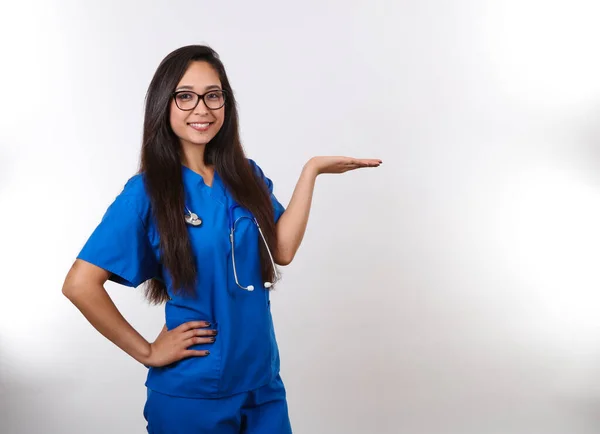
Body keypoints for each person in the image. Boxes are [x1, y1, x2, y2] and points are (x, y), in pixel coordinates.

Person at [61, 44, 381, 434]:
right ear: (164, 104)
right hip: (192, 394)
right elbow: (79, 283)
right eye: (185, 96)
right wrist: (146, 350)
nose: (202, 108)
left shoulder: (245, 175)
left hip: (262, 384)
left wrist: (311, 171)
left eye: (213, 95)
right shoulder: (147, 192)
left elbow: (282, 250)